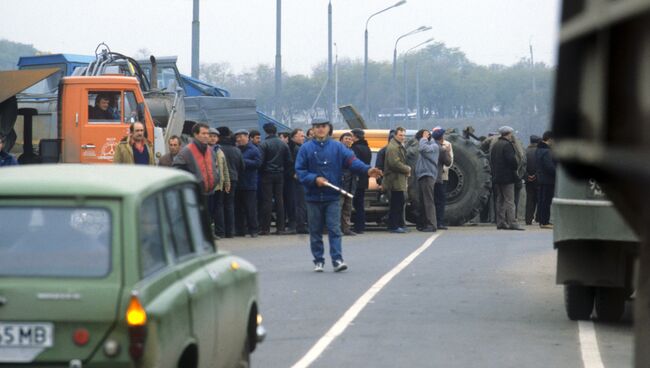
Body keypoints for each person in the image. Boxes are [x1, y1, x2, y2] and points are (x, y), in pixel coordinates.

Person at [295, 119, 382, 272]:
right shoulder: (305, 148)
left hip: (333, 196)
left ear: (329, 129)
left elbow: (352, 161)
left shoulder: (338, 147)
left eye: (323, 127)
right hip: (312, 197)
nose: (320, 129)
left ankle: (337, 260)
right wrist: (314, 179)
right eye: (317, 127)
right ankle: (318, 261)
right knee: (315, 231)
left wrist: (368, 170)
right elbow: (300, 171)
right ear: (313, 130)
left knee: (335, 229)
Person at [258, 123, 292, 235]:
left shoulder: (264, 144)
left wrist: (262, 170)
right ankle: (280, 228)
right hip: (280, 174)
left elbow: (260, 162)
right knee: (279, 200)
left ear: (265, 131)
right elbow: (289, 161)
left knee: (267, 201)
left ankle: (265, 228)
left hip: (267, 174)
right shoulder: (283, 145)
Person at [490, 126, 524, 231]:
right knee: (510, 200)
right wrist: (515, 167)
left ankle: (500, 222)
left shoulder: (495, 145)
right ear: (508, 134)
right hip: (507, 177)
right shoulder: (507, 145)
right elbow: (512, 161)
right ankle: (512, 222)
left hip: (497, 176)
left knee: (500, 200)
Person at [173, 123, 218, 196]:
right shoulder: (186, 152)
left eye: (207, 133)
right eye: (203, 133)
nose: (206, 136)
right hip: (194, 195)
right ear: (195, 135)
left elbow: (215, 167)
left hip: (210, 193)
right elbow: (177, 172)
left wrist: (216, 179)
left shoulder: (210, 151)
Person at [217, 126, 245, 238]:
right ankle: (231, 231)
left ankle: (221, 231)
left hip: (220, 179)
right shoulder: (236, 150)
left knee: (219, 204)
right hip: (233, 179)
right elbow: (242, 166)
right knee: (230, 204)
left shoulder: (218, 149)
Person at [235, 129, 262, 237]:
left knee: (250, 208)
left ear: (247, 137)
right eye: (237, 137)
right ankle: (240, 230)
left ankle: (253, 230)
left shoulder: (254, 149)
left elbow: (258, 163)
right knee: (238, 208)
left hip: (250, 183)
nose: (239, 139)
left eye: (241, 137)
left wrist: (242, 161)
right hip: (238, 183)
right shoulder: (236, 149)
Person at [384, 126, 411, 234]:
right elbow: (394, 163)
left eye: (404, 135)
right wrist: (407, 169)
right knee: (396, 203)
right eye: (400, 135)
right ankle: (393, 226)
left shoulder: (399, 146)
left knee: (399, 203)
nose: (403, 137)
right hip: (394, 179)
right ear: (395, 135)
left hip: (399, 178)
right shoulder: (393, 148)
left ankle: (398, 225)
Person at [415, 129, 439, 232]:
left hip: (428, 175)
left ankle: (432, 224)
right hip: (423, 175)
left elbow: (422, 149)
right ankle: (424, 223)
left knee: (428, 201)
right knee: (423, 201)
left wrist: (424, 138)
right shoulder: (429, 146)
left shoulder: (434, 147)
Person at [208, 128, 231, 239]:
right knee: (210, 209)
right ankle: (210, 232)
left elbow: (225, 168)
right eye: (211, 136)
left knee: (218, 209)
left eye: (215, 136)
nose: (213, 138)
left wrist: (227, 182)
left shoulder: (219, 150)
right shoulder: (205, 149)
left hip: (219, 185)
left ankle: (220, 232)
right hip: (209, 185)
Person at [350, 128, 371, 234]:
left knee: (354, 203)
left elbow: (353, 164)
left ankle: (357, 226)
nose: (350, 138)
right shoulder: (367, 148)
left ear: (356, 137)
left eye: (352, 136)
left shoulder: (355, 148)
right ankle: (361, 225)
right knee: (360, 203)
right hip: (364, 178)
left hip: (356, 179)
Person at [432, 126, 453, 230]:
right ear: (441, 137)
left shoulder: (429, 146)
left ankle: (431, 221)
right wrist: (447, 151)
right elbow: (448, 162)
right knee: (440, 201)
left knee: (431, 200)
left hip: (429, 177)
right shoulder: (442, 148)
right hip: (439, 178)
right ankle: (439, 222)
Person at [288, 128, 308, 234]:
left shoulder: (295, 147)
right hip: (298, 179)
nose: (303, 138)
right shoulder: (297, 148)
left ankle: (298, 224)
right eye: (301, 136)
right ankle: (300, 225)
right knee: (300, 203)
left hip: (296, 178)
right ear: (294, 137)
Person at [535, 131, 556, 229]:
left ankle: (541, 220)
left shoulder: (538, 150)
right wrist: (558, 173)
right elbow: (549, 167)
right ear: (550, 139)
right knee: (547, 201)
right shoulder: (547, 151)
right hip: (548, 179)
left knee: (542, 200)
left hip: (541, 178)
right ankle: (545, 221)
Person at [339, 132, 357, 236]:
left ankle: (346, 228)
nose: (348, 140)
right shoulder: (337, 151)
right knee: (338, 207)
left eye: (350, 139)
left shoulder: (352, 152)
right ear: (341, 140)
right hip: (340, 183)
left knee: (347, 208)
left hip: (350, 183)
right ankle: (337, 229)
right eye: (346, 138)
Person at [524, 135, 541, 225]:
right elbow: (541, 165)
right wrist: (536, 175)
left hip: (528, 180)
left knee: (529, 199)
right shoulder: (540, 152)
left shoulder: (525, 152)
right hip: (538, 179)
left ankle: (528, 219)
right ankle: (539, 218)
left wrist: (527, 176)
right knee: (540, 199)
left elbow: (522, 166)